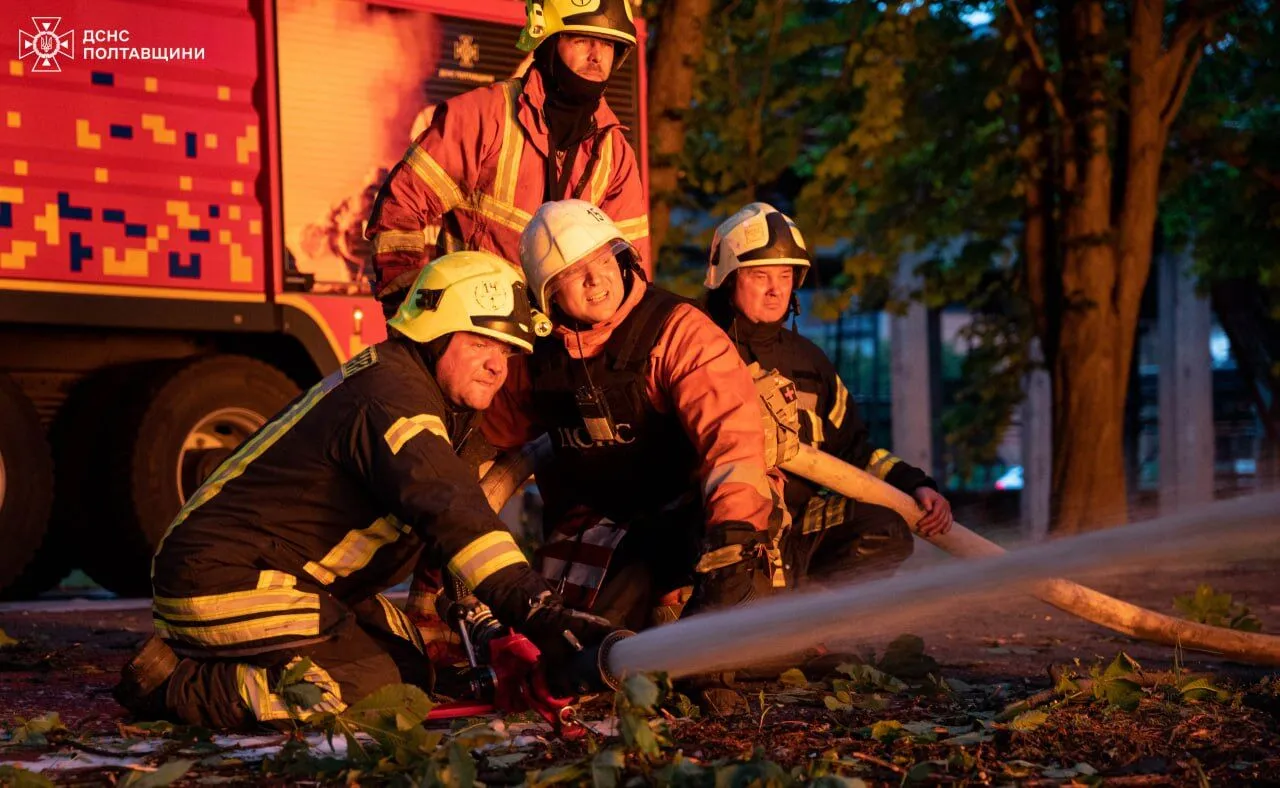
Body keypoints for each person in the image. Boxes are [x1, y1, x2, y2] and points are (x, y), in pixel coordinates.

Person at [112, 252, 621, 729]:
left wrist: (489, 624)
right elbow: (452, 510)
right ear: (434, 335)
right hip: (215, 578)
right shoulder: (392, 399)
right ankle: (178, 684)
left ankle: (229, 652)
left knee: (414, 674)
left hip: (294, 576)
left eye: (507, 351)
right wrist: (542, 615)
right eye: (481, 343)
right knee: (366, 690)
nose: (498, 365)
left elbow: (452, 520)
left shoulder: (416, 386)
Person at [481, 199, 784, 632]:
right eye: (570, 273)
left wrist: (731, 544)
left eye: (603, 258)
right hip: (600, 526)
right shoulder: (536, 357)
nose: (595, 279)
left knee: (724, 633)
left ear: (623, 257)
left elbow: (733, 441)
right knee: (575, 642)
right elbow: (493, 437)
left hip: (695, 525)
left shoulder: (678, 331)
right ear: (546, 294)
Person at [702, 203, 954, 587]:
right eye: (759, 275)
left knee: (884, 529)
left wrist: (914, 483)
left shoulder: (810, 362)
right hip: (724, 526)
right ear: (728, 279)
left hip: (799, 526)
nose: (775, 290)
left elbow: (853, 450)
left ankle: (810, 625)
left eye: (785, 275)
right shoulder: (701, 351)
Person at [364, 0, 649, 318]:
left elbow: (630, 273)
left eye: (609, 44)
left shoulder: (616, 155)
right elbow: (401, 210)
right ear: (548, 42)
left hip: (562, 349)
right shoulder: (483, 117)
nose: (597, 56)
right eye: (581, 40)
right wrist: (416, 312)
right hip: (477, 336)